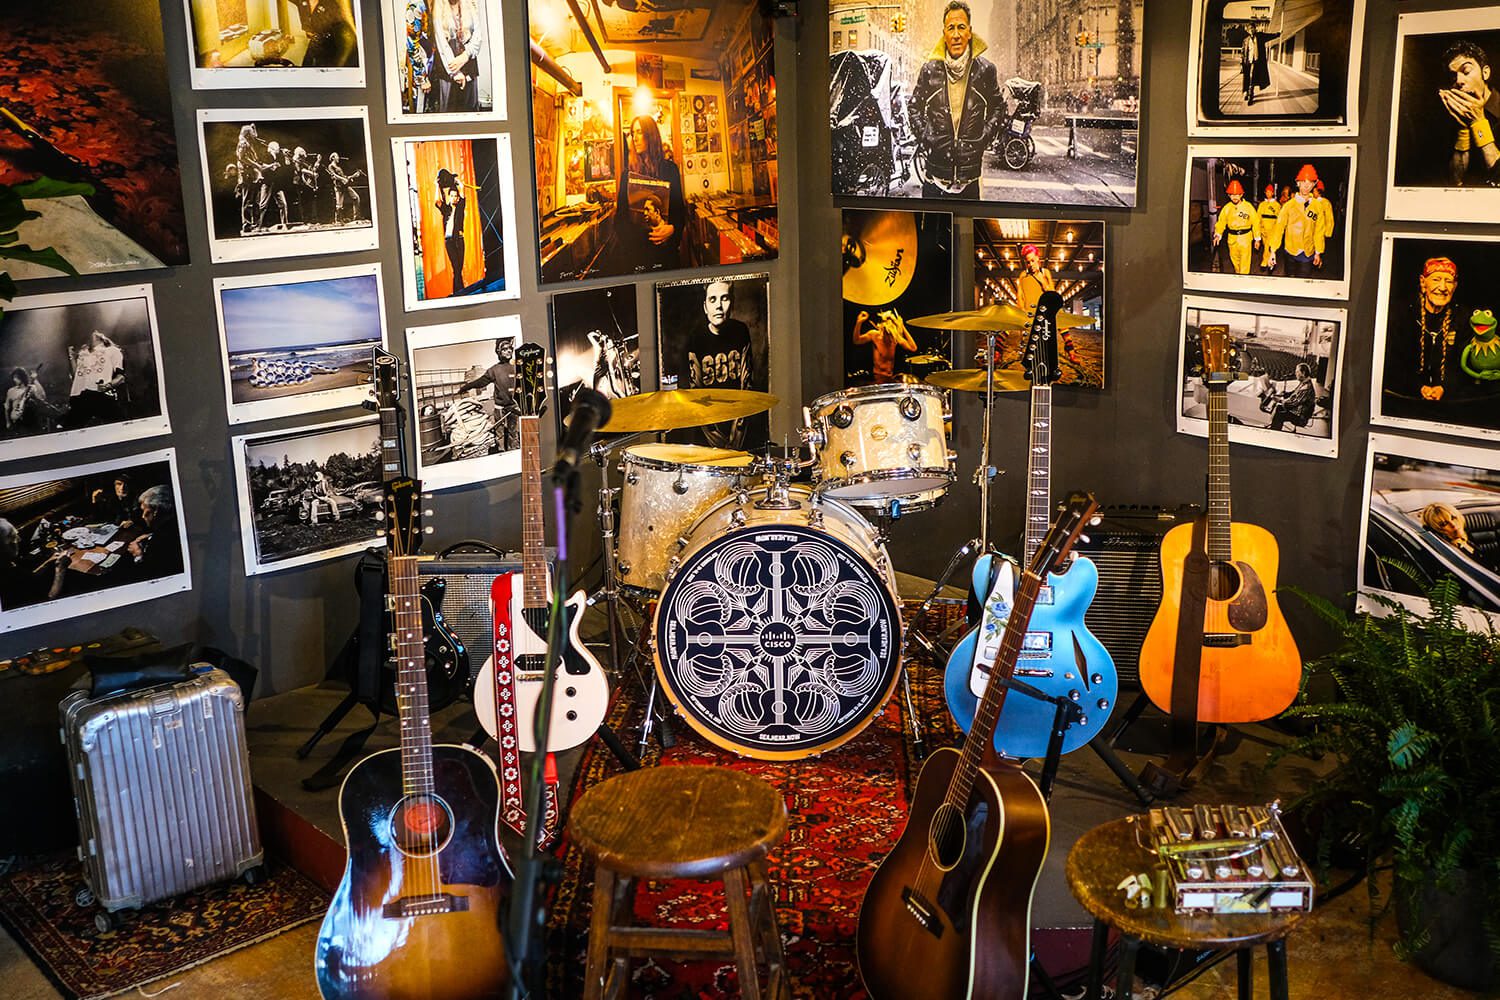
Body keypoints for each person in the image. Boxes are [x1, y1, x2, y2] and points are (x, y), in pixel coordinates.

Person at [907, 1, 1005, 199]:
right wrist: (927, 137)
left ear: (969, 31)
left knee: (969, 230)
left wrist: (983, 138)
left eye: (961, 27)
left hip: (969, 183)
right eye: (951, 28)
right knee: (931, 231)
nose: (956, 34)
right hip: (934, 180)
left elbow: (999, 107)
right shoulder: (929, 70)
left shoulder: (985, 70)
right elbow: (913, 107)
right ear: (944, 33)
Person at [683, 279, 753, 448]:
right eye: (713, 300)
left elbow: (747, 384)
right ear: (705, 306)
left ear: (732, 302)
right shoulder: (696, 338)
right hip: (708, 430)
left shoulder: (741, 331)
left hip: (739, 424)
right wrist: (715, 437)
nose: (719, 306)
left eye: (725, 298)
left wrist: (737, 435)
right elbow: (696, 393)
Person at [616, 115, 684, 271]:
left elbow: (680, 212)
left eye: (639, 132)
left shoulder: (670, 169)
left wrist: (672, 229)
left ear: (651, 135)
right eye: (633, 133)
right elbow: (620, 220)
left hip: (666, 256)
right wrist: (635, 240)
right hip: (637, 258)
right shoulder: (628, 175)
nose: (635, 138)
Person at [1440, 40, 1500, 187]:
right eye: (1453, 76)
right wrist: (1463, 130)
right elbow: (1455, 182)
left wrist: (1478, 124)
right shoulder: (1451, 118)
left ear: (1485, 73)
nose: (1459, 81)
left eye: (1466, 71)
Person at [459, 338, 520, 450]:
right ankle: (501, 452)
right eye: (504, 349)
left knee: (513, 433)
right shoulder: (494, 370)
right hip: (500, 408)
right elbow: (481, 382)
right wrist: (467, 386)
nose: (508, 351)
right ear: (499, 352)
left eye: (510, 348)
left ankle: (514, 452)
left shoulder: (518, 366)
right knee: (499, 433)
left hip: (513, 408)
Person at [1270, 164, 1325, 278]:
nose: (1306, 186)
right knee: (1290, 280)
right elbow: (1279, 228)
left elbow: (1319, 231)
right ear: (1297, 183)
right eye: (1303, 182)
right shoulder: (1289, 205)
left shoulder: (1318, 206)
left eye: (1310, 182)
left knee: (1303, 283)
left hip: (1307, 252)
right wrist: (1273, 250)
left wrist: (1318, 252)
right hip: (1290, 250)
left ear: (1314, 184)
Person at [66, 331, 125, 428]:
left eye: (94, 333)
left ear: (101, 337)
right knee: (70, 430)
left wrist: (107, 386)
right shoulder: (83, 353)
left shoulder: (112, 351)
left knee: (119, 426)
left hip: (99, 394)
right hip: (79, 396)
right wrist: (72, 357)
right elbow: (76, 375)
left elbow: (121, 377)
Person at [433, 0, 483, 113]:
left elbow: (478, 36)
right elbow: (441, 43)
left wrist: (465, 55)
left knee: (470, 110)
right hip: (448, 67)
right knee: (448, 111)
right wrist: (455, 72)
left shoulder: (470, 4)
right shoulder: (438, 7)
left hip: (469, 63)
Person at [287, 0, 358, 68]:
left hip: (328, 50)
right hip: (311, 44)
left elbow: (336, 32)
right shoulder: (301, 1)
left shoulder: (331, 5)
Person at [853, 309, 917, 383]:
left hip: (890, 377)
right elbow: (857, 341)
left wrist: (902, 326)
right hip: (878, 377)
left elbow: (913, 348)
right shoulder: (875, 335)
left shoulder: (895, 338)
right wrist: (859, 322)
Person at [439, 379, 496, 460]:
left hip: (475, 432)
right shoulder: (455, 411)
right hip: (462, 431)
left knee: (481, 425)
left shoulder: (477, 415)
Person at [1213, 179, 1259, 275]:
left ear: (1241, 194)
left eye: (1237, 194)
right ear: (1229, 195)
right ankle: (1238, 278)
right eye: (1232, 195)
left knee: (1244, 266)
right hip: (1232, 239)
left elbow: (1255, 222)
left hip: (1245, 239)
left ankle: (1243, 281)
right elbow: (1221, 222)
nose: (1234, 197)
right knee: (1235, 264)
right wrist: (1218, 234)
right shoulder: (1227, 208)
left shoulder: (1248, 207)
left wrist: (1257, 239)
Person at [435, 167, 468, 295]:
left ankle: (458, 292)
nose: (454, 198)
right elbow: (437, 201)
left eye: (456, 196)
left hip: (459, 240)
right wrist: (436, 185)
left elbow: (461, 186)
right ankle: (460, 292)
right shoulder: (446, 210)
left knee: (458, 269)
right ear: (449, 197)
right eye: (452, 196)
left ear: (458, 198)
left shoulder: (460, 207)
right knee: (456, 267)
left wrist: (454, 180)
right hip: (449, 241)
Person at [403, 0, 434, 113]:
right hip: (421, 63)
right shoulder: (416, 5)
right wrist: (422, 78)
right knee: (420, 109)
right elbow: (412, 45)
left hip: (434, 64)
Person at [1241, 21, 1281, 106]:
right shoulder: (1246, 40)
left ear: (1255, 29)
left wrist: (1278, 34)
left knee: (1252, 79)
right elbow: (1243, 52)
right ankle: (1247, 93)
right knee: (1247, 79)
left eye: (1252, 28)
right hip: (1247, 62)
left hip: (1256, 62)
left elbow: (1269, 36)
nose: (1251, 30)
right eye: (1249, 29)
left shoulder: (1260, 36)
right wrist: (1242, 64)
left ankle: (1250, 96)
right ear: (1247, 30)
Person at [1268, 363, 1317, 431]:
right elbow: (1294, 393)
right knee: (1278, 408)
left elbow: (1293, 403)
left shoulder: (1306, 387)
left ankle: (1274, 431)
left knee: (1279, 415)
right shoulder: (1304, 382)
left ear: (1303, 373)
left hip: (1300, 417)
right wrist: (1284, 394)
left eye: (1297, 371)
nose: (1295, 373)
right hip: (1298, 411)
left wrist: (1279, 400)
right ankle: (1274, 427)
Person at [5, 367, 48, 434]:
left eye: (16, 377)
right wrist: (8, 422)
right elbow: (7, 408)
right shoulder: (11, 391)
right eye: (13, 377)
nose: (14, 379)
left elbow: (42, 397)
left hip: (31, 420)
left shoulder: (31, 388)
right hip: (17, 421)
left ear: (22, 377)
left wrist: (35, 379)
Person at [326, 152, 365, 225]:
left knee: (356, 198)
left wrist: (353, 176)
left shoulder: (339, 167)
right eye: (337, 156)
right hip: (339, 186)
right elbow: (334, 176)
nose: (338, 158)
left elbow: (344, 177)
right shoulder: (331, 166)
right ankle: (338, 220)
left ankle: (356, 216)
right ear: (333, 158)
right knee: (339, 204)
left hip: (345, 185)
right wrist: (343, 179)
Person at [1016, 242, 1056, 313]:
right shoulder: (1023, 275)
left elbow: (1053, 296)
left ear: (1037, 258)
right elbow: (1019, 296)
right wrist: (1023, 310)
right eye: (1028, 262)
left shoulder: (1045, 273)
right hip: (1028, 314)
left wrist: (1042, 280)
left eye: (1032, 260)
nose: (1031, 264)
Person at [1255, 183, 1280, 271]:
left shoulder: (1277, 205)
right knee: (1266, 245)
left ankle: (1265, 262)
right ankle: (1270, 261)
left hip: (1272, 228)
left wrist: (1277, 228)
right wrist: (1259, 228)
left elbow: (1279, 218)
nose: (1268, 194)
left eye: (1270, 192)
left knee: (1269, 246)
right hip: (1263, 228)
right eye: (1267, 192)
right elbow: (1258, 217)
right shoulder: (1262, 204)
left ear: (1273, 193)